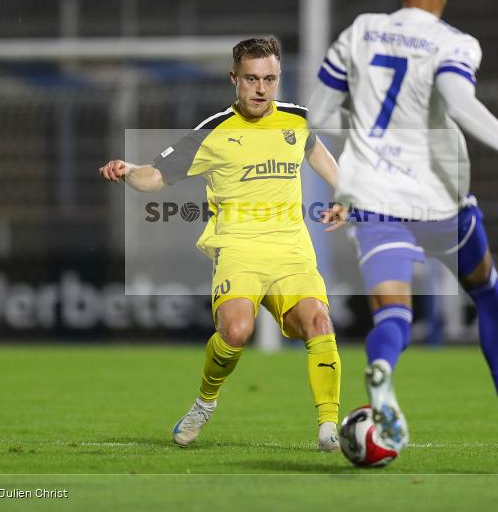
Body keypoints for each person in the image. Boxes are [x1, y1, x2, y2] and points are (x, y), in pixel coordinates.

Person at [308, 0, 498, 463]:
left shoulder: (360, 32)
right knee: (488, 293)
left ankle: (382, 370)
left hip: (376, 201)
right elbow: (461, 103)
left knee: (394, 315)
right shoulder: (454, 43)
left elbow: (315, 114)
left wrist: (365, 135)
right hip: (440, 203)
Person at [100, 37, 343, 452]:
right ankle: (204, 403)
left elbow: (317, 153)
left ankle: (329, 427)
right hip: (238, 250)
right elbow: (156, 176)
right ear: (235, 79)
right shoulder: (212, 132)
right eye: (251, 79)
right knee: (236, 331)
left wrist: (345, 195)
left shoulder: (297, 121)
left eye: (269, 79)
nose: (261, 89)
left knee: (319, 321)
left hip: (291, 252)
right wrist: (129, 171)